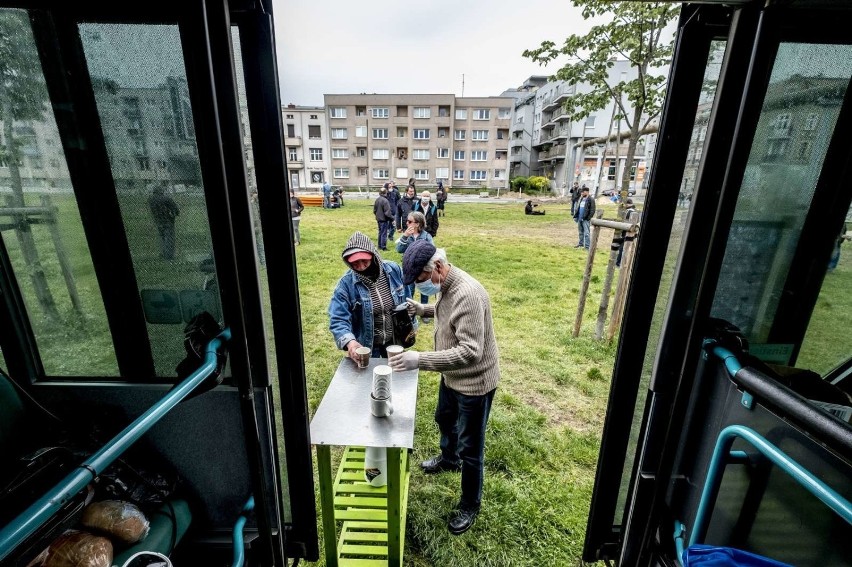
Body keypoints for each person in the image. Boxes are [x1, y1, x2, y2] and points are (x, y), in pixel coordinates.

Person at [388, 240, 500, 535]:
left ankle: (469, 504)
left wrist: (419, 360)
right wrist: (423, 309)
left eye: (421, 280)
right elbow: (444, 310)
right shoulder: (446, 284)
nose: (420, 285)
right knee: (443, 418)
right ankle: (449, 460)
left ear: (436, 267)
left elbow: (470, 352)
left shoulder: (468, 294)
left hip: (474, 381)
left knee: (472, 448)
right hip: (451, 376)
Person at [329, 232, 412, 360]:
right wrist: (350, 342)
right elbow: (338, 319)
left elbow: (407, 302)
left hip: (394, 343)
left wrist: (411, 326)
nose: (361, 266)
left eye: (364, 260)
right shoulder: (345, 286)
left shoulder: (393, 270)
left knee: (395, 377)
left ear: (374, 256)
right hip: (366, 347)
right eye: (355, 263)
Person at [396, 211, 434, 316]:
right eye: (406, 221)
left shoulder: (426, 236)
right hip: (409, 268)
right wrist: (405, 236)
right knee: (409, 289)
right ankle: (409, 310)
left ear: (417, 224)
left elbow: (432, 250)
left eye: (409, 221)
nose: (407, 223)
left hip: (423, 268)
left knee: (424, 290)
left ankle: (424, 311)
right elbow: (399, 249)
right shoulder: (407, 235)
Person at [148, 183, 180, 260]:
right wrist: (175, 213)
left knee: (162, 238)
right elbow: (175, 209)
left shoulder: (151, 200)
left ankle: (162, 253)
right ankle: (169, 256)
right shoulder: (166, 199)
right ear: (161, 191)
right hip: (168, 221)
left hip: (158, 221)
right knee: (169, 239)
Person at [615, 198, 637, 268]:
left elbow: (625, 222)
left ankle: (618, 263)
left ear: (628, 204)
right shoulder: (634, 211)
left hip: (626, 232)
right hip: (631, 232)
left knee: (622, 248)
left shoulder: (629, 212)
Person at [573, 185, 595, 249]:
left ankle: (587, 246)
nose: (581, 193)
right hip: (580, 218)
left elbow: (592, 210)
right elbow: (578, 208)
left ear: (587, 192)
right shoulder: (581, 198)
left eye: (583, 192)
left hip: (586, 219)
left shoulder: (591, 199)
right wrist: (576, 216)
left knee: (586, 233)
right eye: (581, 192)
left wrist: (588, 218)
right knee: (580, 232)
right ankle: (580, 244)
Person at [373, 185, 393, 251]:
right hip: (384, 220)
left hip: (378, 219)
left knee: (380, 232)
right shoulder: (385, 201)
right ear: (386, 192)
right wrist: (392, 218)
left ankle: (379, 246)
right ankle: (383, 247)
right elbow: (387, 212)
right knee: (384, 233)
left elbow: (374, 210)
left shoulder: (377, 200)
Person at [250, 190, 266, 265]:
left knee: (260, 244)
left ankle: (262, 261)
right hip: (256, 226)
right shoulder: (252, 203)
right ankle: (262, 261)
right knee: (259, 244)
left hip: (257, 226)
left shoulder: (254, 202)